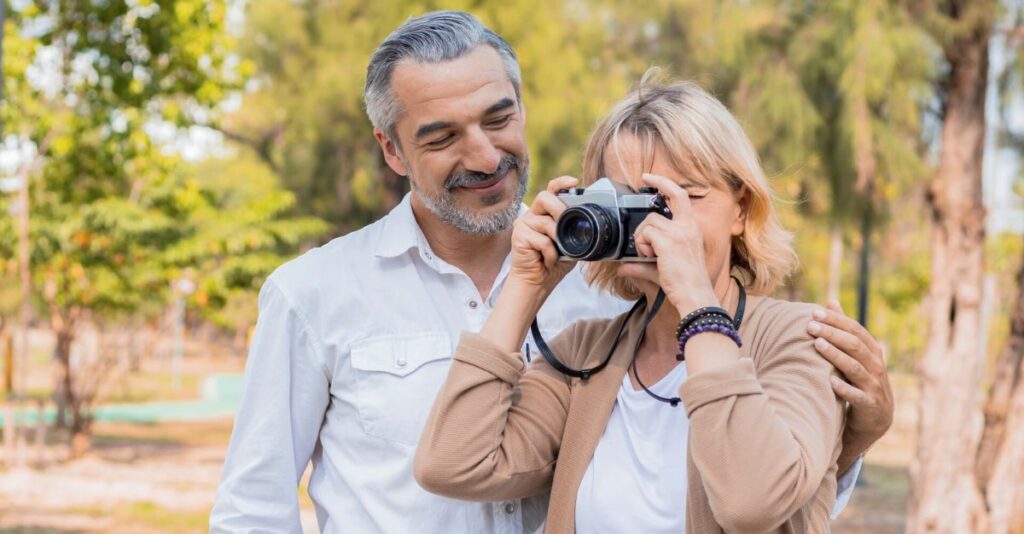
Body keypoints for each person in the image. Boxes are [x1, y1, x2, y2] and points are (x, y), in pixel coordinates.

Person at [211, 11, 892, 533]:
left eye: (498, 118)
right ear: (391, 150)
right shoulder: (316, 294)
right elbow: (265, 503)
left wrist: (850, 433)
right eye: (442, 136)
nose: (484, 155)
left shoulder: (769, 333)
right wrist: (526, 291)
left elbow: (765, 498)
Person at [414, 74, 880, 533]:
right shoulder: (586, 353)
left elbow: (751, 504)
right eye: (632, 201)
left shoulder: (801, 338)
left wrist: (699, 303)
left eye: (685, 197)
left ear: (741, 209)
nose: (657, 225)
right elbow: (453, 466)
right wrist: (524, 285)